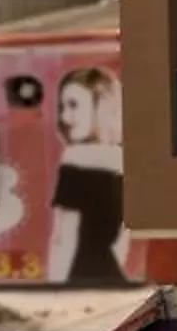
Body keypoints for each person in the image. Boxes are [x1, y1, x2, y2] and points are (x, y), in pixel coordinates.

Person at [47, 67, 130, 287]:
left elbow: (64, 238)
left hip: (78, 275)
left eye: (74, 105)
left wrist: (55, 289)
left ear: (101, 107)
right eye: (62, 107)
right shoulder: (122, 160)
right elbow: (122, 238)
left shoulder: (75, 158)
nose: (65, 116)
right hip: (111, 275)